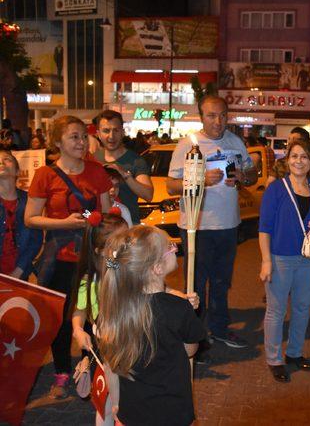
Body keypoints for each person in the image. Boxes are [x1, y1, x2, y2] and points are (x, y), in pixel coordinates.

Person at [25, 115, 112, 399]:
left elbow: (105, 215)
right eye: (74, 136)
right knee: (61, 319)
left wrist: (91, 220)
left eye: (83, 136)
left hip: (90, 256)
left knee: (94, 315)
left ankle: (91, 366)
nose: (81, 141)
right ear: (58, 142)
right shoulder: (45, 175)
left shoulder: (96, 171)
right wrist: (65, 223)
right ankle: (62, 371)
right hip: (58, 259)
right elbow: (31, 219)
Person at [167, 95, 257, 349]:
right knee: (194, 285)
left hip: (228, 225)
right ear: (201, 116)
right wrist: (199, 179)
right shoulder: (188, 144)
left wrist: (241, 176)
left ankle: (219, 329)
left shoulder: (235, 141)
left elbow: (251, 175)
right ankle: (195, 338)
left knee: (221, 282)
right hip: (197, 225)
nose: (218, 121)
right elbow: (172, 185)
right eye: (211, 115)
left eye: (223, 115)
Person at [97, 226, 206, 426]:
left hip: (131, 413)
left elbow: (110, 368)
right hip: (172, 413)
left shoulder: (116, 310)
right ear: (157, 267)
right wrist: (186, 313)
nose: (174, 248)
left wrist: (116, 404)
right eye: (170, 247)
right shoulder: (178, 308)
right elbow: (190, 350)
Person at [258, 139, 310, 382]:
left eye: (304, 157)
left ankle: (295, 353)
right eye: (294, 156)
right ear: (287, 160)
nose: (299, 161)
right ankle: (274, 359)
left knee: (301, 308)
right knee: (276, 311)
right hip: (280, 258)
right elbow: (264, 228)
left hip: (308, 259)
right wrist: (266, 261)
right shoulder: (276, 189)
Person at [69, 212, 128, 425]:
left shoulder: (128, 271)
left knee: (128, 397)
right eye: (121, 242)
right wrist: (78, 330)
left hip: (130, 338)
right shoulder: (91, 280)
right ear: (100, 251)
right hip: (106, 342)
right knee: (108, 401)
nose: (128, 245)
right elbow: (79, 310)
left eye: (128, 238)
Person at [93, 110, 154, 225]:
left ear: (122, 132)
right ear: (98, 134)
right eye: (106, 131)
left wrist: (124, 174)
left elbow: (148, 195)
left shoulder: (136, 160)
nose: (111, 136)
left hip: (129, 228)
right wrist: (90, 217)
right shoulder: (92, 160)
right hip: (99, 230)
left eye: (116, 130)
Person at [0, 151, 42, 280]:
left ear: (18, 171)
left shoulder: (30, 200)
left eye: (7, 159)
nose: (1, 162)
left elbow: (36, 240)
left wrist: (19, 271)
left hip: (20, 275)